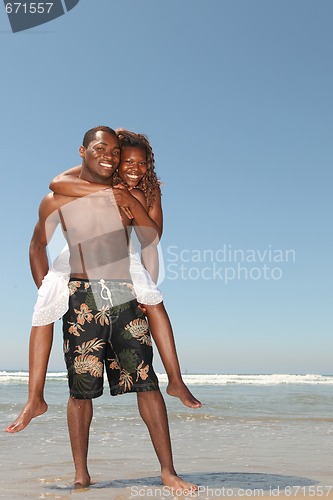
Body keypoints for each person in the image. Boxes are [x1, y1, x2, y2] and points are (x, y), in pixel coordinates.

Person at [7, 126, 198, 493]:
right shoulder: (58, 197)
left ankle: (168, 472)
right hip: (82, 298)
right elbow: (36, 245)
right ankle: (81, 474)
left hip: (124, 293)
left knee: (147, 384)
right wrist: (49, 289)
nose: (109, 156)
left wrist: (132, 202)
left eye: (114, 151)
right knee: (81, 393)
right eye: (101, 149)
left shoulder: (125, 195)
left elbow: (150, 238)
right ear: (83, 151)